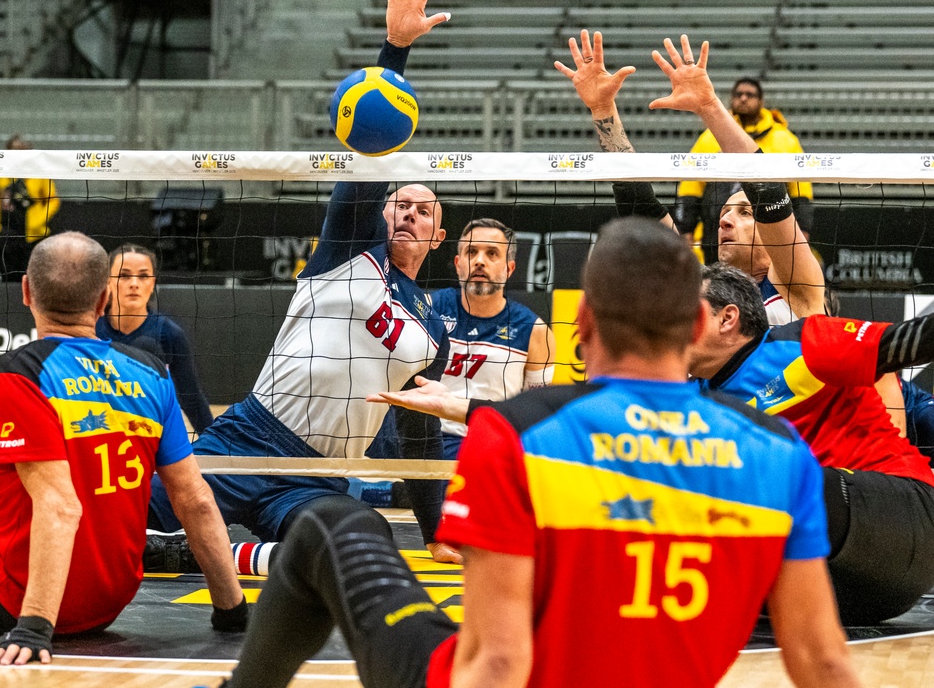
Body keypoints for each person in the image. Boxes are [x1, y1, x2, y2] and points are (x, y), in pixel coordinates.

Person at [224, 217, 859, 688]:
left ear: (581, 322)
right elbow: (824, 662)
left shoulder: (519, 436)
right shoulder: (782, 454)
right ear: (696, 326)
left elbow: (499, 663)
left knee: (334, 524)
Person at [144, 0, 461, 566]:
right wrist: (394, 50)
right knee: (126, 524)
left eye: (423, 210)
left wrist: (435, 526)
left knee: (357, 541)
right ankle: (205, 541)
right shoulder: (349, 251)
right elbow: (369, 153)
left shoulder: (434, 333)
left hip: (317, 475)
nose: (407, 213)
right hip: (248, 440)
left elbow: (419, 431)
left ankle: (229, 554)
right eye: (399, 203)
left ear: (439, 235)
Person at [557, 30, 907, 433]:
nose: (724, 221)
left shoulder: (797, 285)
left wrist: (709, 106)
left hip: (820, 446)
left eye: (743, 213)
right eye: (724, 212)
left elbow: (766, 188)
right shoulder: (700, 285)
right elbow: (639, 205)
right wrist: (603, 111)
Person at [0, 232, 245, 667]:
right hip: (109, 601)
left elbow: (60, 506)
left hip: (16, 602)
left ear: (26, 291)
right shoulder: (151, 373)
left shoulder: (18, 373)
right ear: (103, 300)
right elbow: (195, 500)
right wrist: (232, 611)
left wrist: (34, 626)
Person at [691, 262, 934, 625]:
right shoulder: (694, 400)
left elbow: (909, 341)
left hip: (903, 520)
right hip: (846, 585)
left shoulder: (799, 343)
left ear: (727, 318)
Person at [369, 218, 554, 460]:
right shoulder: (428, 309)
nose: (479, 260)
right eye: (471, 252)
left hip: (487, 444)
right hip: (424, 439)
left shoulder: (535, 331)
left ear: (509, 268)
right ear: (458, 264)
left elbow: (534, 413)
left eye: (491, 253)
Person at [676, 77, 813, 264]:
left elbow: (801, 192)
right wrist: (686, 230)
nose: (743, 98)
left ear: (761, 101)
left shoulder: (785, 140)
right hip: (714, 237)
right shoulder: (710, 137)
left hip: (769, 236)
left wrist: (803, 228)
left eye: (750, 95)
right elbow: (690, 188)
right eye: (738, 94)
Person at [96, 243, 214, 434]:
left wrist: (215, 443)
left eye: (143, 276)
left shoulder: (169, 334)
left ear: (153, 283)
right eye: (124, 275)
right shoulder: (90, 329)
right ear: (108, 281)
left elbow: (191, 398)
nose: (134, 283)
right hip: (98, 429)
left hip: (150, 432)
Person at [0, 134, 60, 280]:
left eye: (22, 149)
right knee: (6, 279)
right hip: (6, 234)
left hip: (33, 237)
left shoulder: (40, 174)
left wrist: (37, 221)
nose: (18, 153)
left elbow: (52, 201)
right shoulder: (0, 173)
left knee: (34, 278)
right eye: (14, 150)